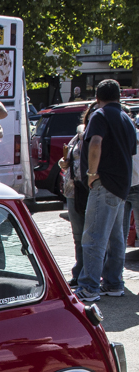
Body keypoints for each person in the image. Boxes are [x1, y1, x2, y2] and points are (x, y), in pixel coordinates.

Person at [78, 79, 135, 302]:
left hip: (105, 184)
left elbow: (95, 143)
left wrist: (92, 174)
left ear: (97, 98)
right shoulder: (126, 119)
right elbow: (130, 151)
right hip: (121, 185)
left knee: (93, 236)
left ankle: (89, 287)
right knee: (115, 238)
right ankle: (113, 283)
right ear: (119, 96)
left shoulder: (100, 115)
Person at [58, 113, 90, 287]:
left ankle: (91, 274)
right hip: (73, 191)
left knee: (91, 236)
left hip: (90, 190)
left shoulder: (92, 137)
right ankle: (79, 272)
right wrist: (62, 163)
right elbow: (65, 160)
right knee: (78, 236)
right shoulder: (76, 138)